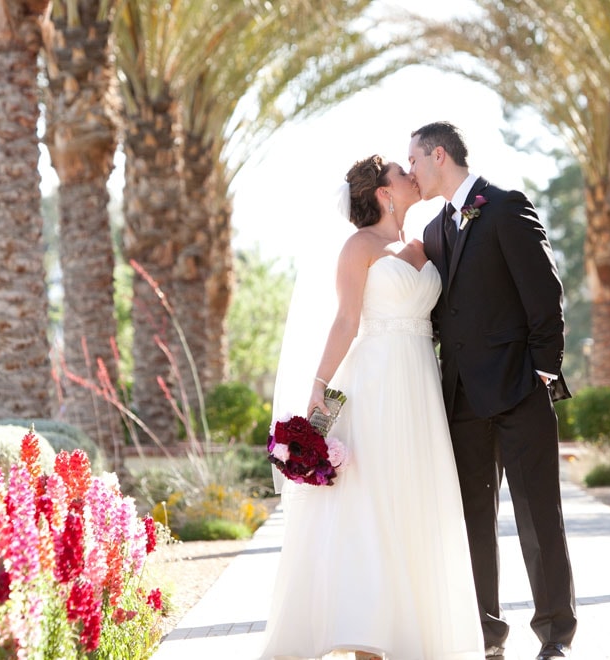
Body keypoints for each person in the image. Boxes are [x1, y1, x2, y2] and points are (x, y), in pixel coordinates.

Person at [260, 155, 484, 660]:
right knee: (372, 506)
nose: (411, 175)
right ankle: (369, 641)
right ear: (384, 193)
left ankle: (414, 635)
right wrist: (318, 385)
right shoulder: (358, 247)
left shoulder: (424, 243)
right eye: (400, 174)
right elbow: (345, 321)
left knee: (415, 500)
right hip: (375, 384)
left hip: (420, 384)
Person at [410, 121, 577, 660]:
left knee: (539, 518)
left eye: (413, 159)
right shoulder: (435, 229)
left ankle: (555, 636)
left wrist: (543, 374)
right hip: (461, 404)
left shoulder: (504, 206)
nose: (410, 170)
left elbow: (545, 294)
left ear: (439, 155)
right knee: (474, 526)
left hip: (519, 394)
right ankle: (487, 636)